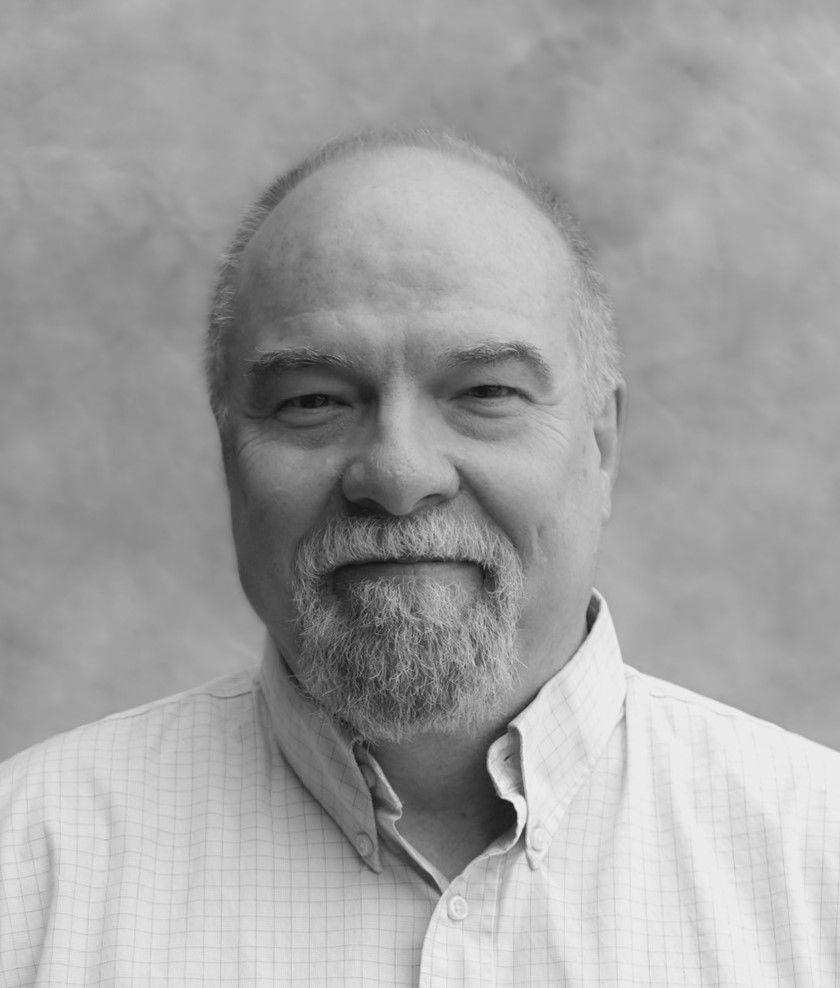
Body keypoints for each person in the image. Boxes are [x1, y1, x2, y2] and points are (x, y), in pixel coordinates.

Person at [1, 129, 838, 987]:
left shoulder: (820, 869)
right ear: (230, 454)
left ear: (602, 443)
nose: (398, 474)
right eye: (314, 401)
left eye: (485, 393)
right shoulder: (26, 875)